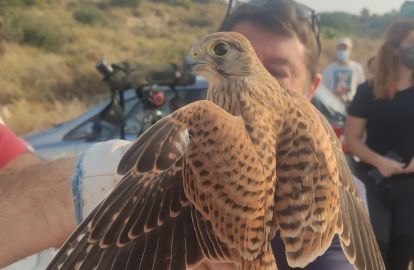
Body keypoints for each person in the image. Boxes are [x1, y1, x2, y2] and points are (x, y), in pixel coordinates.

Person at [0, 1, 367, 269]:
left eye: (279, 71)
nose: (265, 81)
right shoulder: (203, 125)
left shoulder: (324, 160)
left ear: (313, 88)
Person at [345, 19, 414, 270]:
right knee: (372, 257)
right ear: (393, 48)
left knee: (401, 259)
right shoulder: (367, 92)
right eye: (413, 42)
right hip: (374, 183)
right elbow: (352, 139)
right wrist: (380, 161)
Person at [322, 37, 365, 104]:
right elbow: (324, 89)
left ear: (350, 50)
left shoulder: (357, 68)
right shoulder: (329, 69)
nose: (342, 51)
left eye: (345, 48)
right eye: (340, 48)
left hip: (351, 104)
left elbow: (361, 88)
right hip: (332, 104)